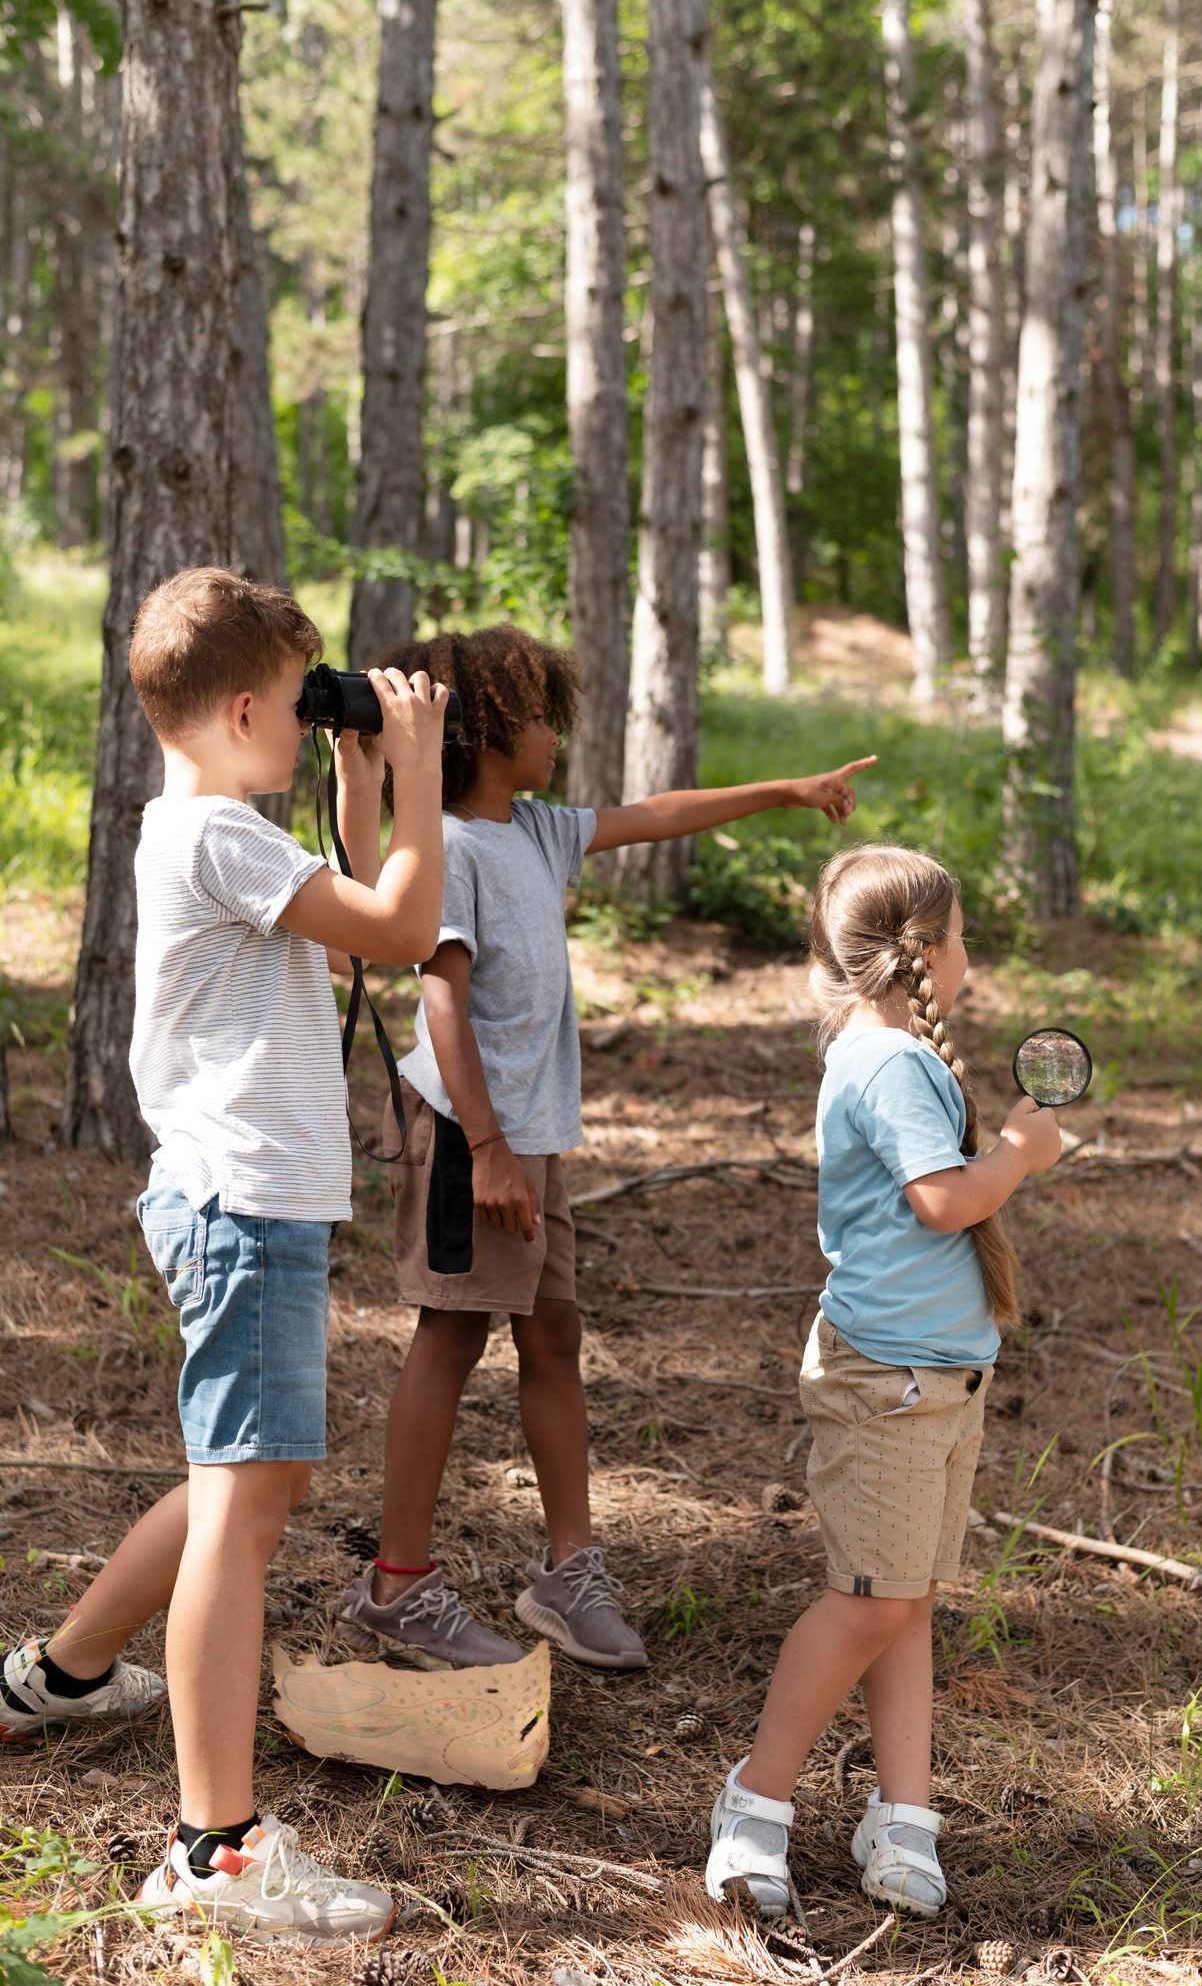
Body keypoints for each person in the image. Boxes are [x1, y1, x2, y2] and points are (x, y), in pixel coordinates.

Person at [0, 567, 448, 1945]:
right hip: (243, 1207)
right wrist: (421, 775)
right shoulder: (216, 835)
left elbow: (354, 889)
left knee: (250, 1486)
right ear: (249, 705)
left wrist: (361, 776)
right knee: (247, 1508)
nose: (306, 723)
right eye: (295, 705)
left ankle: (62, 1676)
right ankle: (218, 1849)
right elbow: (404, 927)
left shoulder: (206, 822)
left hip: (244, 1200)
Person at [337, 625, 875, 1671]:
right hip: (466, 1133)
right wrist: (485, 1146)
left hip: (527, 1138)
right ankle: (394, 1584)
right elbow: (438, 1001)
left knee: (553, 1337)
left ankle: (566, 1569)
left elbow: (656, 814)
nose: (554, 733)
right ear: (487, 729)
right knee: (447, 1339)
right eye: (539, 715)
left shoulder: (534, 832)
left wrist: (788, 791)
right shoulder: (440, 845)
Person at [704, 842, 1063, 1919]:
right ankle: (753, 1800)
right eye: (960, 937)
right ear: (922, 953)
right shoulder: (891, 1062)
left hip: (940, 1376)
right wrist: (1018, 1151)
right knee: (867, 1603)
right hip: (889, 1383)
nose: (969, 956)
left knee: (902, 1600)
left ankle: (900, 1816)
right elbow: (941, 1202)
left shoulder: (884, 1046)